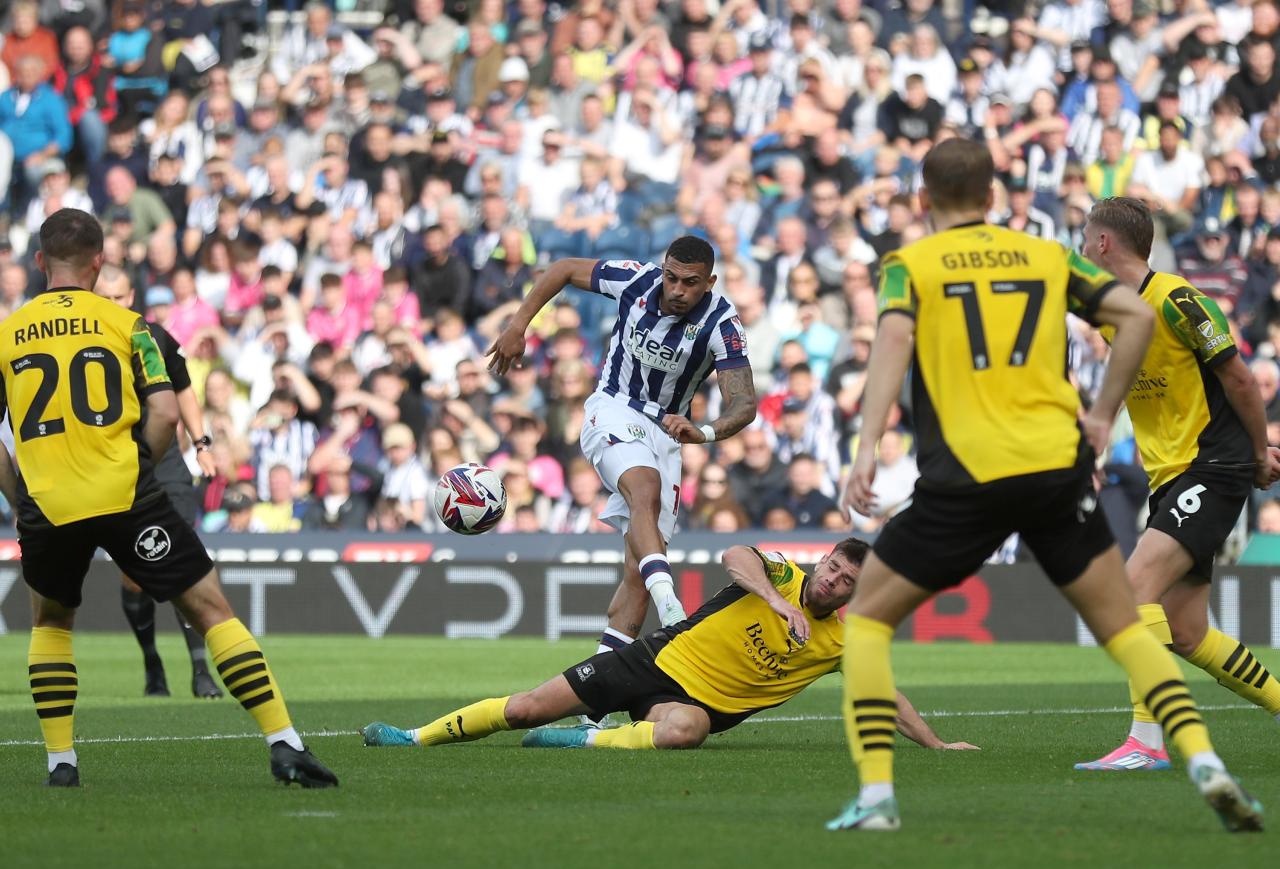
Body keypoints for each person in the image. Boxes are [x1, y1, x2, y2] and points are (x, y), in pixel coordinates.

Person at [829, 140, 1261, 833]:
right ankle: (1204, 760)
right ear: (993, 198)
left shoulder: (909, 265)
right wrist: (1100, 414)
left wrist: (865, 448)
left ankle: (877, 796)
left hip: (965, 473)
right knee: (1132, 624)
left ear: (923, 199)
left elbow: (890, 347)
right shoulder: (1047, 256)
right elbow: (1135, 317)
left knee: (867, 622)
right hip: (1056, 466)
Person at [0, 210, 336, 789]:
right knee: (211, 611)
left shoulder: (7, 334)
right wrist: (138, 472)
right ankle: (284, 743)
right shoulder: (131, 326)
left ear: (38, 262)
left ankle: (61, 764)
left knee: (51, 622)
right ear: (99, 262)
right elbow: (163, 411)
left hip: (48, 504)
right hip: (126, 493)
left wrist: (20, 497)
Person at [362, 539, 978, 753]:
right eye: (834, 567)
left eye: (846, 581)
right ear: (824, 560)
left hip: (692, 705)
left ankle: (582, 741)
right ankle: (413, 737)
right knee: (524, 708)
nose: (833, 581)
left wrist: (936, 743)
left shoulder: (843, 640)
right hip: (652, 660)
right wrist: (775, 600)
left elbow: (883, 694)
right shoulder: (781, 574)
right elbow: (733, 555)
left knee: (688, 731)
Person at [1075, 197, 1280, 771]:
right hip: (1171, 475)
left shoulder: (1178, 300)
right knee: (1187, 633)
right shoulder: (1115, 314)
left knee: (1131, 590)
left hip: (1211, 465)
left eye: (1085, 237)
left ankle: (1146, 742)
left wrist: (1257, 452)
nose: (1080, 246)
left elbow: (1240, 379)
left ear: (1104, 243)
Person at [486, 236, 755, 652]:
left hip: (668, 433)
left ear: (709, 282)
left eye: (690, 282)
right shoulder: (636, 280)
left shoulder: (722, 322)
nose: (677, 290)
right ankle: (672, 609)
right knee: (644, 487)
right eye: (671, 277)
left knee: (638, 571)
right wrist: (518, 325)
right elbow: (562, 268)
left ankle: (599, 685)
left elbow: (744, 403)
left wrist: (703, 432)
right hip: (613, 406)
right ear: (662, 270)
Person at [95, 265, 221, 699]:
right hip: (114, 469)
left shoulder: (153, 337)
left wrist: (201, 443)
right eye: (105, 298)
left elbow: (182, 388)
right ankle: (152, 662)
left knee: (183, 565)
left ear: (132, 298)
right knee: (135, 576)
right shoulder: (84, 343)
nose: (113, 305)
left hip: (165, 467)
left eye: (119, 298)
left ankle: (201, 669)